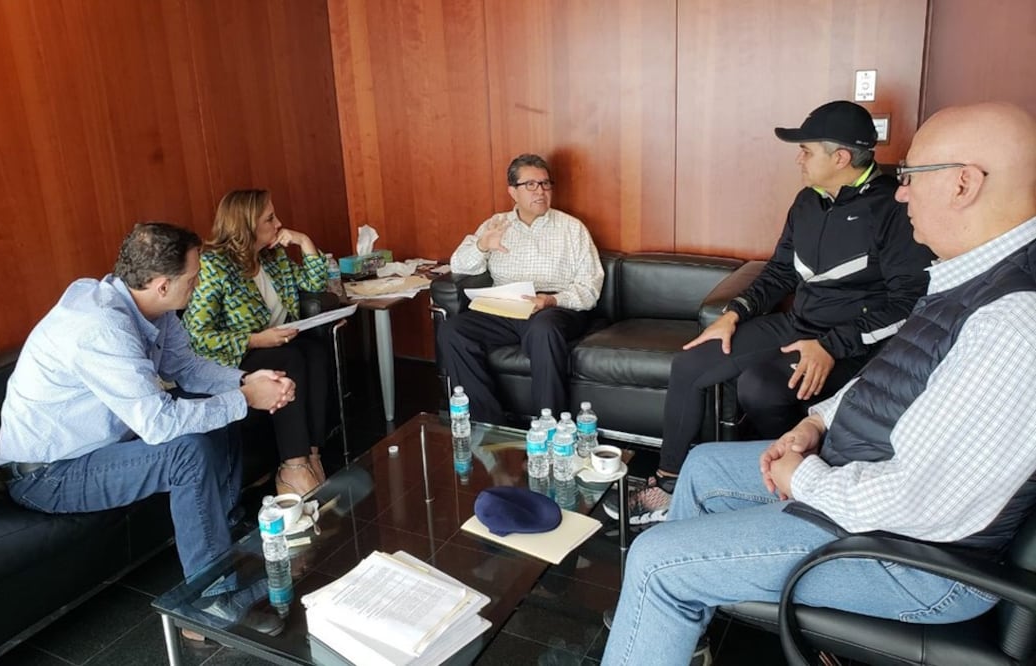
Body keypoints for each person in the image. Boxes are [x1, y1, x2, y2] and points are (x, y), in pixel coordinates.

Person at [601, 101, 1036, 666]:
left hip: (917, 561)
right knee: (705, 464)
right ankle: (681, 619)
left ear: (963, 184)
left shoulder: (1011, 323)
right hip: (863, 475)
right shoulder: (966, 277)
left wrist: (804, 477)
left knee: (655, 560)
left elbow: (920, 503)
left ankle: (670, 592)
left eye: (910, 175)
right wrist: (816, 423)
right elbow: (893, 377)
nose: (901, 192)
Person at [612, 100, 935, 525]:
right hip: (798, 323)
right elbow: (780, 271)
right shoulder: (807, 201)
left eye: (806, 151)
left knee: (761, 387)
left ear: (840, 158)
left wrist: (832, 345)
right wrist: (735, 313)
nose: (799, 159)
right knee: (690, 363)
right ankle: (669, 483)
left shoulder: (893, 208)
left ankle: (775, 486)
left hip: (849, 341)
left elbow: (909, 301)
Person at [0, 222, 295, 594]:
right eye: (193, 278)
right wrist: (247, 398)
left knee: (212, 409)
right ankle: (214, 598)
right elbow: (159, 425)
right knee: (187, 451)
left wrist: (244, 381)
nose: (198, 283)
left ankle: (225, 538)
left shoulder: (151, 306)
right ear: (162, 285)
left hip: (98, 448)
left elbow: (186, 368)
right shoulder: (101, 328)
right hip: (48, 473)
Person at [183, 189, 334, 498]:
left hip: (277, 346)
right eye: (270, 219)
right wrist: (255, 339)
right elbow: (197, 336)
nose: (278, 224)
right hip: (236, 356)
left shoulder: (273, 256)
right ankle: (293, 467)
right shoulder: (214, 266)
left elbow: (314, 283)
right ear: (247, 225)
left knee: (315, 352)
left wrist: (304, 241)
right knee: (290, 359)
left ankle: (312, 456)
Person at [437, 153, 604, 424]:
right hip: (507, 307)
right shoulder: (496, 225)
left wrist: (550, 300)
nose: (540, 191)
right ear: (512, 192)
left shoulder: (572, 229)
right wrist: (482, 246)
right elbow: (459, 265)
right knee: (452, 330)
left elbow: (590, 287)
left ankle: (550, 427)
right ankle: (488, 425)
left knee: (543, 330)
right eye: (531, 185)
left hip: (553, 309)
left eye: (545, 184)